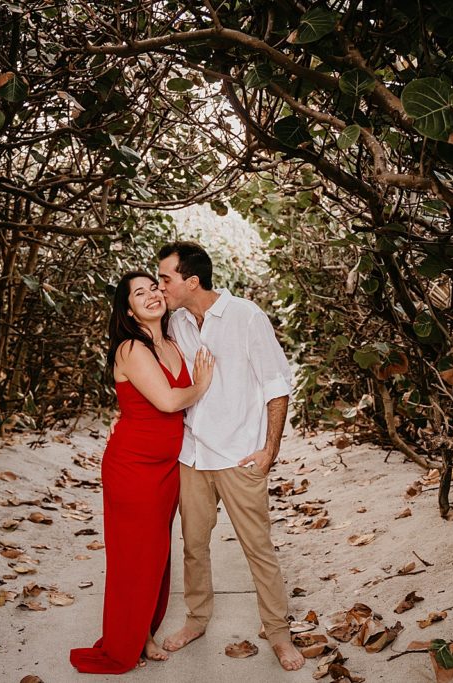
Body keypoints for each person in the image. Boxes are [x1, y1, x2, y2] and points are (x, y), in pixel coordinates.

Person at [156, 242, 305, 672]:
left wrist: (268, 451)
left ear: (191, 281)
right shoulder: (177, 322)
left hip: (240, 456)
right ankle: (197, 619)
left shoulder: (246, 316)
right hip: (192, 454)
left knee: (258, 549)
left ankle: (278, 634)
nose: (160, 286)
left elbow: (277, 385)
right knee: (194, 546)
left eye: (166, 278)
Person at [70, 270, 215, 674]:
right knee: (133, 557)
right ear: (129, 310)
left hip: (166, 467)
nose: (151, 294)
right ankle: (130, 639)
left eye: (154, 287)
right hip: (133, 467)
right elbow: (169, 402)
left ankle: (144, 631)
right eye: (139, 292)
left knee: (154, 556)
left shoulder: (171, 341)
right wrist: (200, 386)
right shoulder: (131, 348)